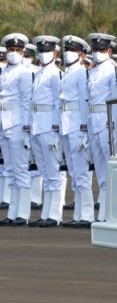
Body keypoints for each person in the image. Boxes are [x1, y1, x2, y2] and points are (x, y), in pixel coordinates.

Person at [59, 35, 93, 228]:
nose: (68, 53)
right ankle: (79, 214)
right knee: (73, 172)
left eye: (72, 50)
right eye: (66, 49)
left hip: (76, 126)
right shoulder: (66, 73)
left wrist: (83, 129)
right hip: (66, 125)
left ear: (81, 54)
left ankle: (86, 215)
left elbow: (83, 101)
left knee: (81, 173)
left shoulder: (81, 73)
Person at [29, 36, 63, 227]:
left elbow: (59, 103)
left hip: (49, 125)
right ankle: (45, 214)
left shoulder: (55, 74)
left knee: (53, 173)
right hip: (37, 125)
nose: (43, 54)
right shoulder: (39, 73)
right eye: (40, 51)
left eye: (47, 51)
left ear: (55, 53)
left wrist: (56, 128)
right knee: (44, 171)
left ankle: (55, 215)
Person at [0, 34, 33, 225]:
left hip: (17, 123)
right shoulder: (4, 72)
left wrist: (26, 129)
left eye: (17, 51)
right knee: (10, 170)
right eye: (10, 50)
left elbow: (26, 101)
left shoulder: (24, 72)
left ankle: (23, 213)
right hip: (4, 123)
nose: (13, 54)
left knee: (20, 170)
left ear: (22, 52)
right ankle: (12, 212)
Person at [87, 33, 117, 220]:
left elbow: (114, 98)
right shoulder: (92, 72)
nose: (97, 53)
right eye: (95, 49)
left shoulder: (112, 70)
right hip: (93, 120)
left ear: (109, 51)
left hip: (106, 122)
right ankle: (103, 212)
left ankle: (109, 213)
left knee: (109, 167)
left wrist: (113, 123)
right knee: (100, 169)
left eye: (101, 49)